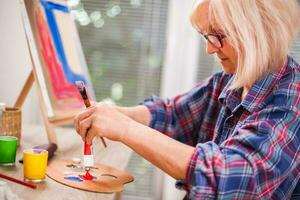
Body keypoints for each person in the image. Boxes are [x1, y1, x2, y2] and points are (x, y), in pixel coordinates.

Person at [74, 0, 300, 199]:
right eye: (206, 36)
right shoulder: (231, 80)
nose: (210, 48)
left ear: (259, 31)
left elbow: (227, 177)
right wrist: (116, 114)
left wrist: (124, 128)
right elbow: (173, 114)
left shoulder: (292, 101)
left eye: (218, 35)